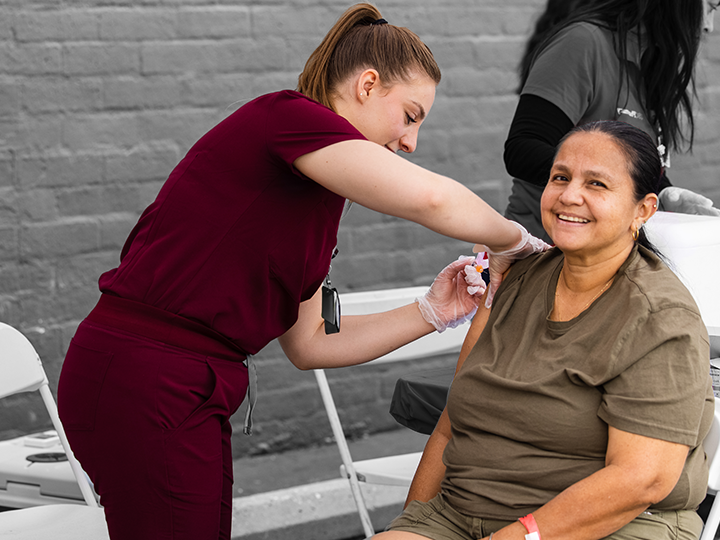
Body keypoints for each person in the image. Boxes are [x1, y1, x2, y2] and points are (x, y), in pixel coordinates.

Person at [55, 4, 548, 540]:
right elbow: (432, 200)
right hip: (147, 376)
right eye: (410, 116)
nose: (411, 143)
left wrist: (433, 312)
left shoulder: (319, 189)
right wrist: (520, 241)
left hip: (188, 388)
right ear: (367, 84)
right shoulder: (290, 118)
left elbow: (310, 344)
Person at [373, 120, 714, 540]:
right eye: (561, 177)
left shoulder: (660, 316)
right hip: (461, 514)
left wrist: (520, 535)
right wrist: (412, 523)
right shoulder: (513, 279)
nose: (570, 195)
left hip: (610, 525)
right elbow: (451, 422)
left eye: (597, 184)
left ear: (642, 210)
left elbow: (642, 479)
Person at [505, 0, 720, 244]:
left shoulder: (648, 62)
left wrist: (661, 193)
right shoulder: (583, 42)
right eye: (711, 7)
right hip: (541, 256)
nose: (709, 27)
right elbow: (524, 149)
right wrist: (615, 187)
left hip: (601, 263)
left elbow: (628, 167)